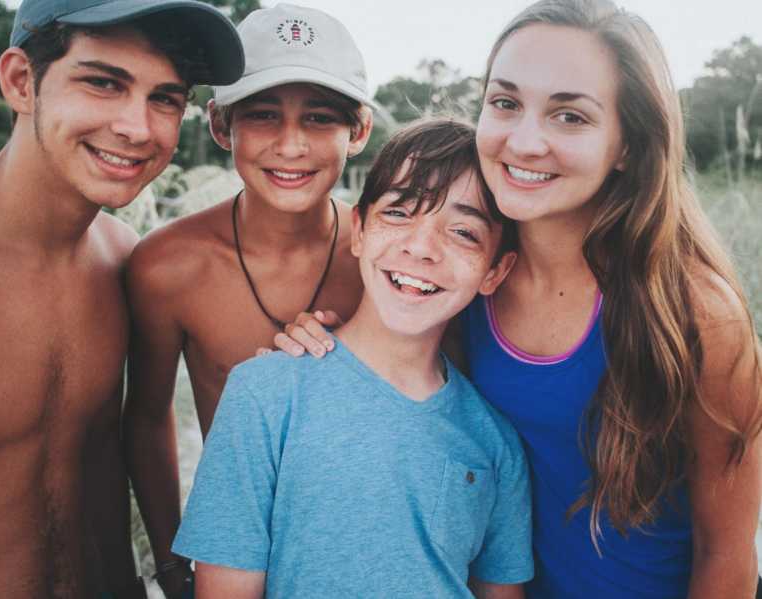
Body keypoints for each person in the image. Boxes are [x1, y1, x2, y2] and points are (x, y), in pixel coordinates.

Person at [276, 0, 762, 597]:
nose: (525, 142)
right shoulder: (456, 284)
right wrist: (315, 336)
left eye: (570, 117)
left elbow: (726, 552)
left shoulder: (695, 312)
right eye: (505, 103)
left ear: (630, 144)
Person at [0, 1, 243, 597]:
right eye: (103, 82)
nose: (137, 127)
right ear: (20, 81)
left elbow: (119, 444)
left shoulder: (124, 261)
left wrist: (171, 571)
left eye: (165, 98)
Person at [172, 118, 530, 599]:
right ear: (358, 229)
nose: (421, 247)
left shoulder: (497, 443)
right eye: (400, 213)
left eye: (464, 232)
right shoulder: (264, 394)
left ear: (495, 270)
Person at [123, 4, 372, 593]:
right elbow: (147, 414)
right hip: (237, 559)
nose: (291, 146)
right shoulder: (168, 265)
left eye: (319, 118)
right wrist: (169, 560)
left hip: (367, 546)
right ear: (218, 125)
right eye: (262, 115)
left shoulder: (385, 256)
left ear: (357, 132)